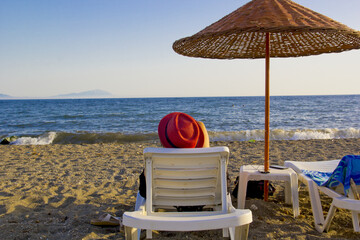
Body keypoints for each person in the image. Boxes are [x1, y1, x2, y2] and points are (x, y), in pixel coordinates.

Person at [137, 112, 210, 211]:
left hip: (167, 200)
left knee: (145, 177)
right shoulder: (208, 165)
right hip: (202, 199)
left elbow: (143, 191)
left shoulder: (158, 164)